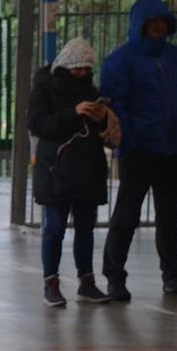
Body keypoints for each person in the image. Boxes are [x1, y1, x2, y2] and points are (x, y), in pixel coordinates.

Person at [100, 0, 177, 300]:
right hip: (139, 150)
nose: (158, 27)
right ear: (141, 25)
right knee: (127, 215)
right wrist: (129, 142)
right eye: (152, 22)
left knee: (170, 218)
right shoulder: (120, 61)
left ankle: (173, 275)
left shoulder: (175, 57)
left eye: (163, 22)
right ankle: (114, 277)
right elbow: (115, 104)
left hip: (174, 150)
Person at [28, 37, 116, 307]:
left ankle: (87, 283)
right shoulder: (44, 87)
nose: (81, 72)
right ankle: (51, 283)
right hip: (56, 168)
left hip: (88, 169)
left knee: (86, 229)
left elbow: (98, 131)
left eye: (86, 68)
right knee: (55, 227)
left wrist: (101, 119)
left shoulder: (91, 90)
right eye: (77, 67)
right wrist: (73, 113)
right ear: (66, 64)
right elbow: (37, 125)